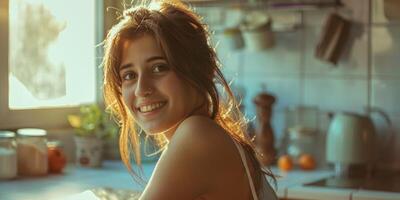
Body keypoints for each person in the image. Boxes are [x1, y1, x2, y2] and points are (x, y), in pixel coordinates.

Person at [102, 0, 278, 199]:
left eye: (159, 68)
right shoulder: (206, 134)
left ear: (200, 69)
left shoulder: (197, 136)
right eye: (129, 75)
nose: (142, 89)